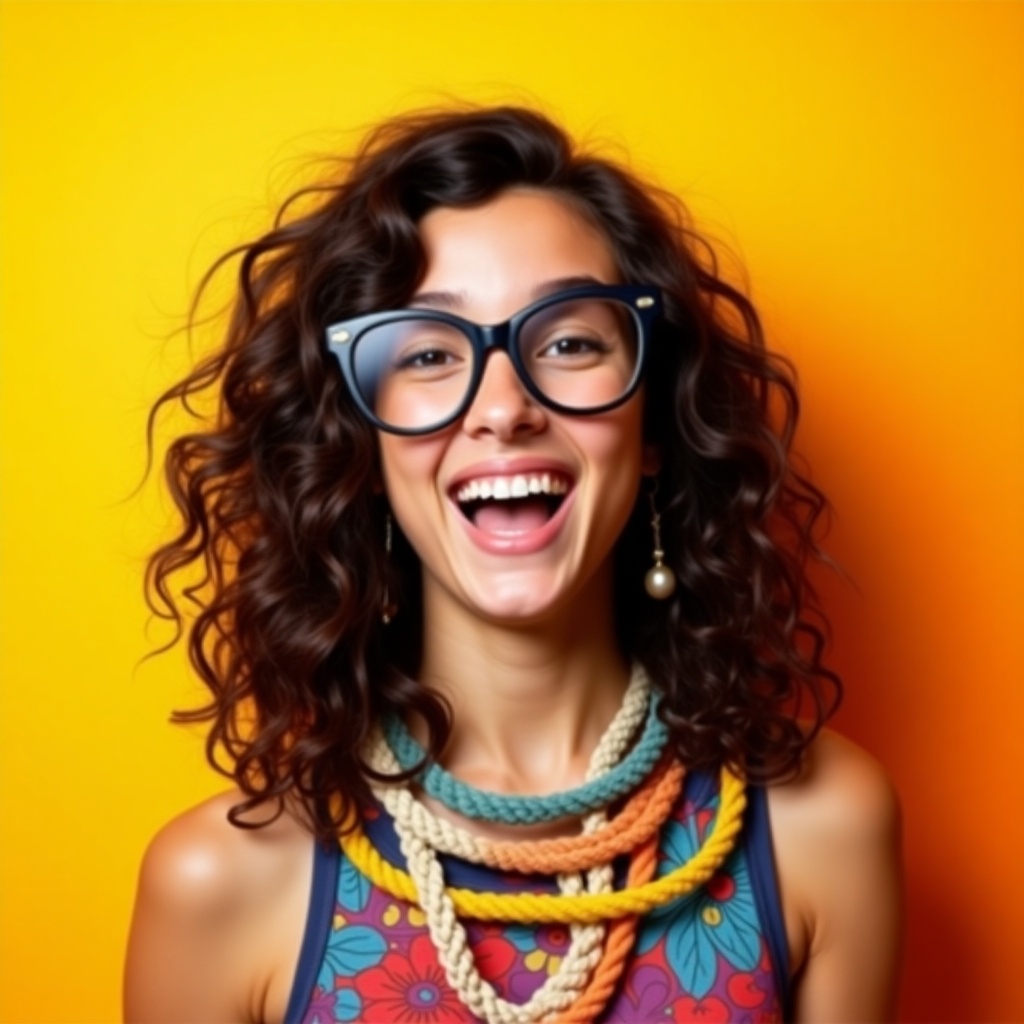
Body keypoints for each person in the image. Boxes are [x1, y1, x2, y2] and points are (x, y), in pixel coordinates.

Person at [124, 106, 902, 1023]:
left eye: (570, 342)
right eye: (426, 353)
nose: (503, 407)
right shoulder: (221, 884)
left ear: (652, 424)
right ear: (359, 450)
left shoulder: (824, 827)